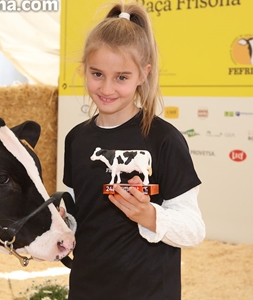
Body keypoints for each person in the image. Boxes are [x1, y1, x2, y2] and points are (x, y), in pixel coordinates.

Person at [62, 1, 205, 299]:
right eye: (97, 74)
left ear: (143, 74)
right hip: (87, 287)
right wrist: (62, 221)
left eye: (122, 77)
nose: (107, 88)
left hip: (149, 290)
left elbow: (193, 230)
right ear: (83, 70)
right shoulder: (76, 139)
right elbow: (78, 212)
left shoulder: (164, 140)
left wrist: (149, 215)